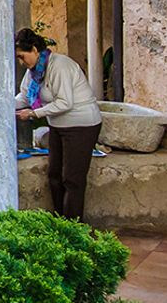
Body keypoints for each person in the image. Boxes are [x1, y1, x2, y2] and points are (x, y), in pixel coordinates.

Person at [14, 28, 103, 220]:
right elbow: (25, 96)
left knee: (72, 179)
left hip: (81, 126)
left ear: (35, 50)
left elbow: (65, 102)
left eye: (23, 56)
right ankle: (59, 222)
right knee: (54, 176)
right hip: (58, 126)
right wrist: (4, 105)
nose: (21, 63)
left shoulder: (60, 66)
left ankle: (73, 228)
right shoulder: (33, 72)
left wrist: (33, 113)